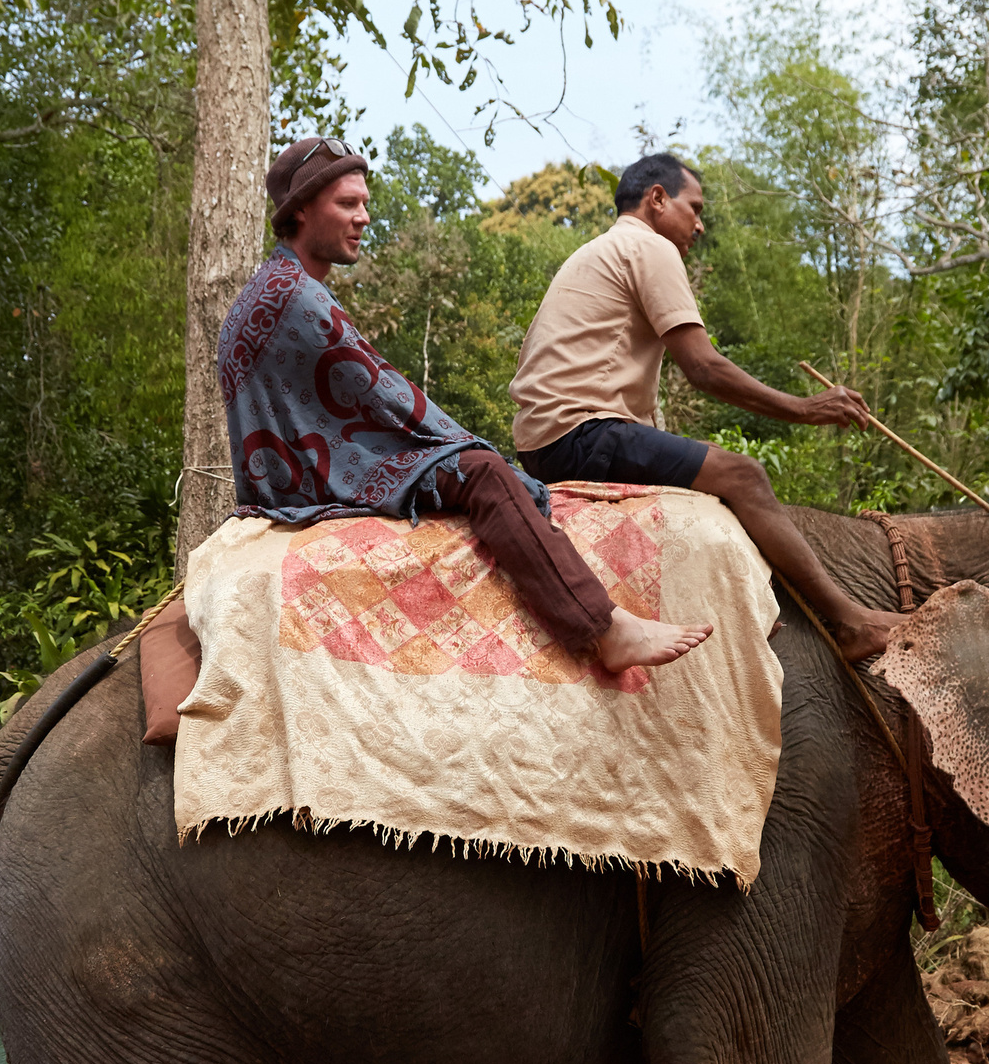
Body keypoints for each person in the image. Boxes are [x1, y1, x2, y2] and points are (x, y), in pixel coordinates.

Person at [217, 137, 713, 674]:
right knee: (483, 473)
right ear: (299, 211)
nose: (364, 217)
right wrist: (476, 450)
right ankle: (605, 629)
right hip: (313, 478)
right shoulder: (298, 295)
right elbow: (388, 396)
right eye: (347, 204)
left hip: (289, 470)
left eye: (364, 203)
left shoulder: (277, 285)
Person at [510, 152, 906, 660]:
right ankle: (851, 622)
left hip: (545, 441)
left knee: (705, 473)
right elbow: (703, 367)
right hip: (582, 432)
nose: (699, 225)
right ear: (657, 198)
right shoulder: (649, 246)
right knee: (743, 476)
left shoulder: (597, 251)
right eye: (694, 208)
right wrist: (805, 408)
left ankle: (749, 602)